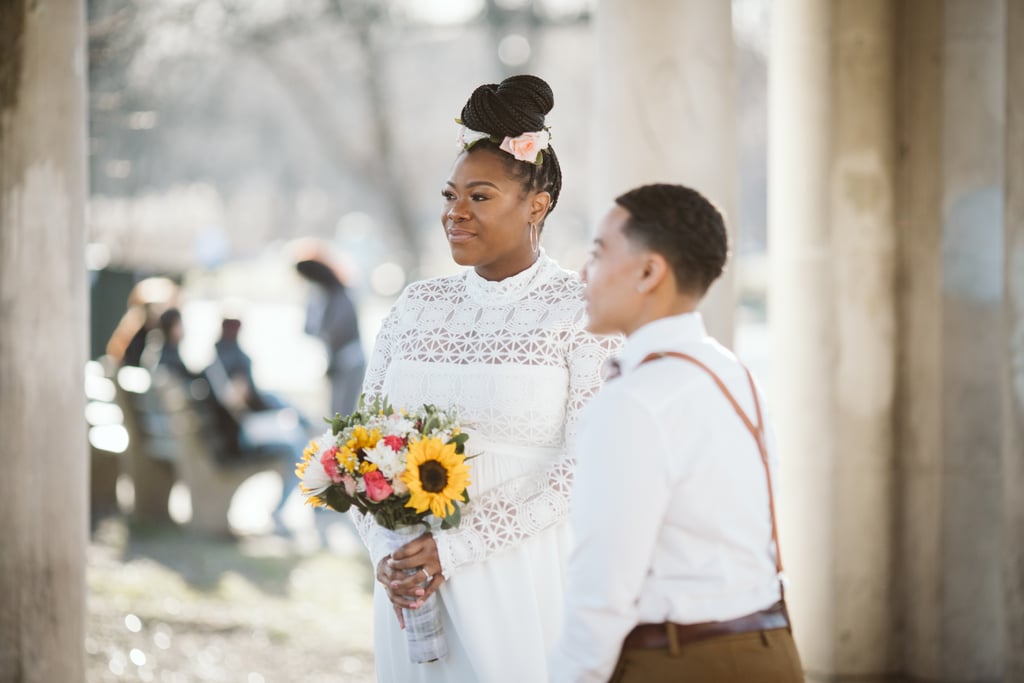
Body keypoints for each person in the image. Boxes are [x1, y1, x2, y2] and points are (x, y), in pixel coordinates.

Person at [355, 74, 619, 682]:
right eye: (450, 196)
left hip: (523, 580)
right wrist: (386, 553)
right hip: (409, 585)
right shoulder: (415, 307)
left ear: (537, 203)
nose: (455, 212)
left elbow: (585, 468)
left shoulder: (584, 312)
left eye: (479, 196)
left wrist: (455, 550)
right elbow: (357, 447)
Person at [549, 184, 804, 682]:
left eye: (598, 254)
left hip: (680, 660)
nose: (583, 274)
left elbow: (602, 591)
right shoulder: (733, 373)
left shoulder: (632, 401)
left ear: (649, 271)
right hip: (771, 651)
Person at [296, 251, 366, 417]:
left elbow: (336, 331)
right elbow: (308, 328)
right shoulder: (321, 297)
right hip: (337, 362)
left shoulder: (340, 295)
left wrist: (322, 332)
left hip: (350, 361)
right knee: (335, 413)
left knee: (344, 414)